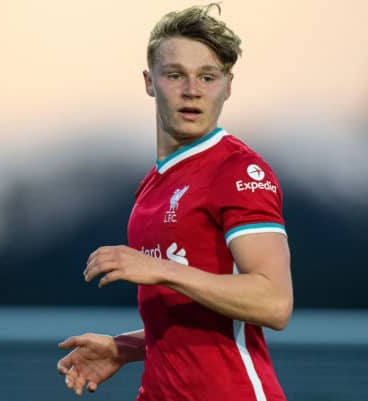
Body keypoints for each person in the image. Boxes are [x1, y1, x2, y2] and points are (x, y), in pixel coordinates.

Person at [57, 3, 293, 400]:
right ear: (150, 82)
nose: (192, 90)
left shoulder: (239, 171)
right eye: (175, 75)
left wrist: (160, 269)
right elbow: (197, 315)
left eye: (207, 76)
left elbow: (274, 302)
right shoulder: (152, 185)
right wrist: (126, 348)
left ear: (228, 85)